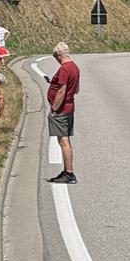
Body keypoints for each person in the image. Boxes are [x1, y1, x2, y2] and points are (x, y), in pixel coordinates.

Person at [44, 42, 80, 184]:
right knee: (65, 139)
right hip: (69, 106)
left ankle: (69, 173)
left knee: (63, 140)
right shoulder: (75, 67)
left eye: (55, 56)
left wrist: (54, 108)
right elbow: (76, 89)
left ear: (59, 55)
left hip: (62, 109)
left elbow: (62, 90)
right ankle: (67, 171)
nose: (56, 59)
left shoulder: (65, 69)